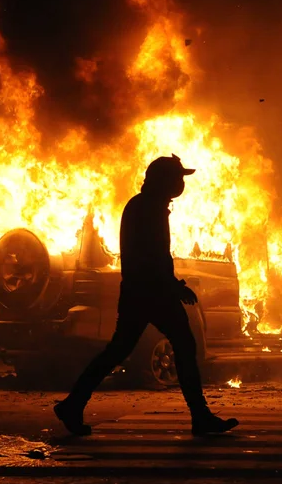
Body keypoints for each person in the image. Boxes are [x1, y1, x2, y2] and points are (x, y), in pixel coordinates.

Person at [54, 154, 239, 437]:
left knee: (120, 350)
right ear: (163, 180)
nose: (180, 184)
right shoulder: (148, 209)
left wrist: (172, 284)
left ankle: (73, 404)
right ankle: (200, 418)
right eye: (177, 178)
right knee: (184, 345)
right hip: (151, 292)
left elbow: (155, 256)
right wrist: (174, 287)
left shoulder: (146, 205)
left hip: (141, 292)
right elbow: (152, 257)